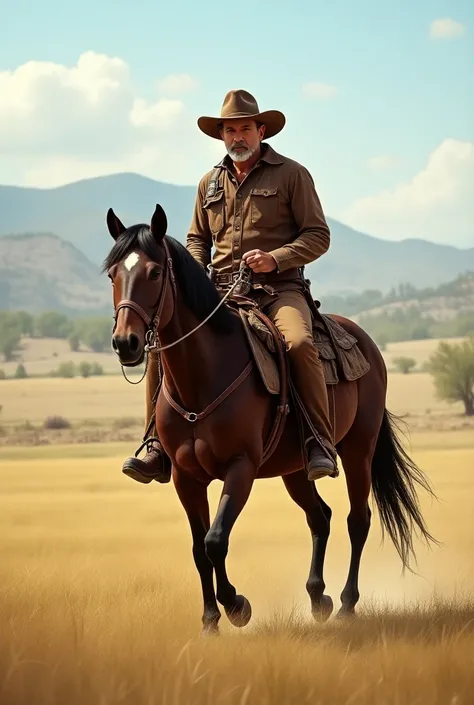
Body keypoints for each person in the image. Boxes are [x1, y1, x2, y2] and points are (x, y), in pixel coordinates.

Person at [121, 89, 338, 484]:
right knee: (160, 346)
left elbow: (317, 236)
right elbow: (196, 240)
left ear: (260, 130)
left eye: (244, 129)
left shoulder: (292, 174)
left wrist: (277, 258)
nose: (237, 137)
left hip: (279, 291)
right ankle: (155, 445)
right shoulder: (209, 183)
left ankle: (318, 441)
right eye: (229, 130)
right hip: (219, 294)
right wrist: (194, 270)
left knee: (299, 344)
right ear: (221, 136)